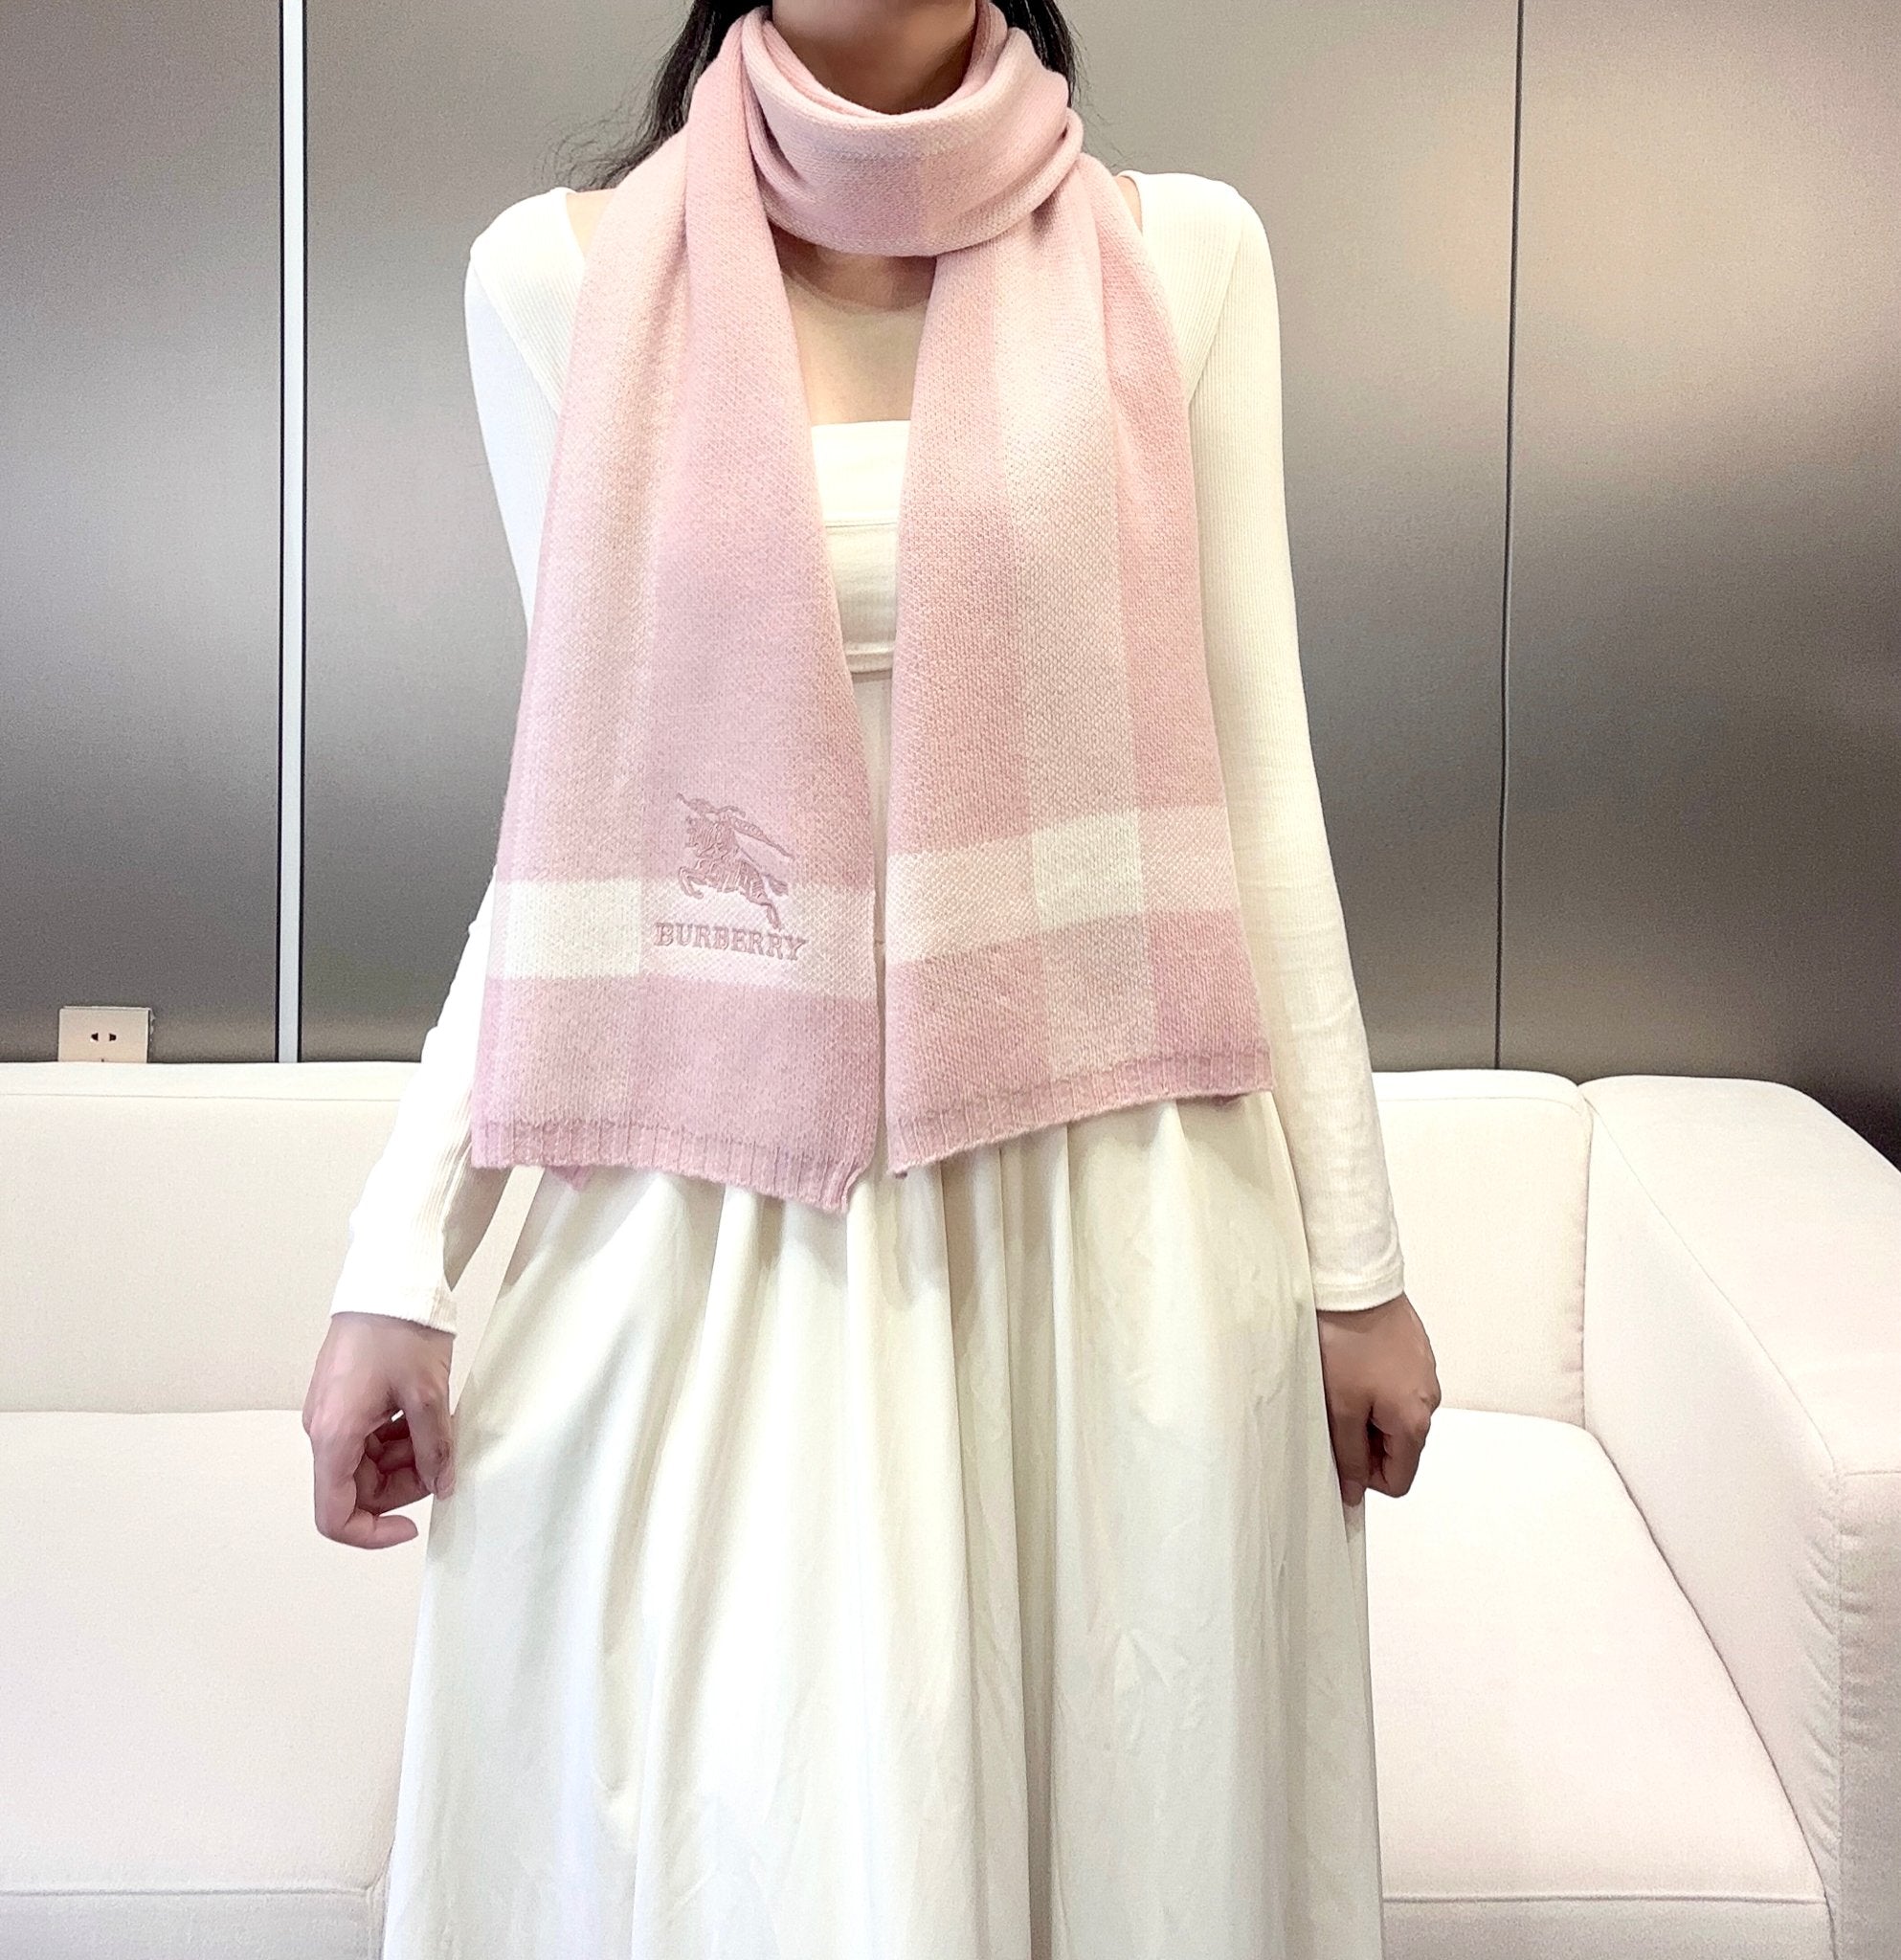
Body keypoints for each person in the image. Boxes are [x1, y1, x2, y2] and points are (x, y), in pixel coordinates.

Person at [302, 2, 1443, 1954]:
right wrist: (398, 1262)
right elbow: (579, 828)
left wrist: (1360, 1266)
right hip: (724, 1216)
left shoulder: (1180, 258)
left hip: (1110, 1201)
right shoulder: (557, 282)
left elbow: (1259, 781)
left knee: (1132, 1825)